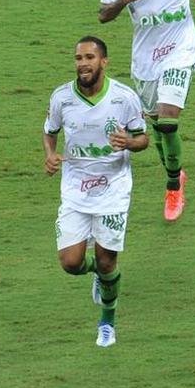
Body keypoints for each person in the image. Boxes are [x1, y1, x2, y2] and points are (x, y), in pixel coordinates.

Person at [98, 0, 195, 221]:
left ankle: (173, 186)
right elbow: (103, 15)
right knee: (156, 128)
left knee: (168, 120)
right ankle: (177, 172)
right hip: (146, 61)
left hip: (180, 51)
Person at [43, 37, 148, 347]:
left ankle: (107, 322)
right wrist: (50, 155)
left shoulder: (124, 98)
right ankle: (98, 278)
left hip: (113, 190)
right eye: (78, 58)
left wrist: (128, 143)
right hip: (75, 188)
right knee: (70, 263)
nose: (83, 63)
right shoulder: (62, 98)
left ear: (104, 62)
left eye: (89, 57)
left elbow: (143, 139)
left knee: (106, 261)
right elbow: (50, 131)